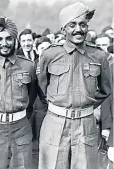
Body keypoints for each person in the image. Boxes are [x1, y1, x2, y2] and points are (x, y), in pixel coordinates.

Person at [37, 2, 111, 169]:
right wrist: (59, 106)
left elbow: (105, 90)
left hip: (86, 124)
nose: (78, 29)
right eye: (72, 25)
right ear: (63, 29)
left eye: (83, 24)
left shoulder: (99, 56)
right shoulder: (50, 54)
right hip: (55, 124)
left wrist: (85, 104)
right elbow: (42, 89)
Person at [0, 17, 36, 169]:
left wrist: (18, 115)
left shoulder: (28, 66)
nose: (4, 43)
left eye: (9, 38)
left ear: (15, 40)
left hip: (21, 128)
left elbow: (32, 96)